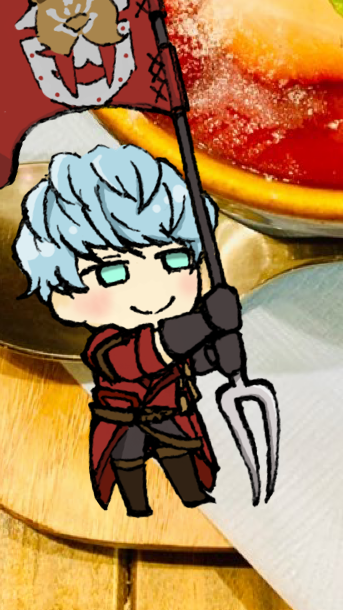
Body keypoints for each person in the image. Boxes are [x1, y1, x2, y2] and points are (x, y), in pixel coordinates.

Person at [13, 144, 242, 518]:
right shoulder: (104, 345)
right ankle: (137, 509)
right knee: (127, 460)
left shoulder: (182, 321)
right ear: (64, 298)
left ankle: (194, 497)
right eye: (111, 272)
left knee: (179, 453)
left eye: (174, 259)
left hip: (172, 411)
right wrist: (205, 323)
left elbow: (189, 361)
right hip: (124, 419)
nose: (153, 291)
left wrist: (219, 352)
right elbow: (143, 357)